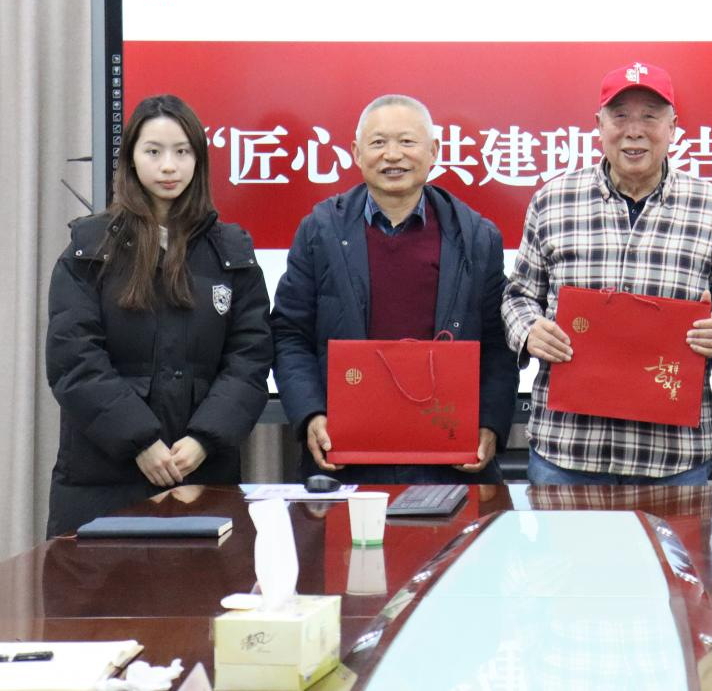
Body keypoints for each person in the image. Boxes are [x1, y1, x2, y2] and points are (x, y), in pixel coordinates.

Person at [502, 63, 712, 484]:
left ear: (673, 127)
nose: (634, 131)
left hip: (672, 456)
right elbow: (519, 295)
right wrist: (529, 330)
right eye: (620, 116)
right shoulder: (553, 200)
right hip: (567, 450)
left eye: (649, 117)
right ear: (598, 126)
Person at [45, 95, 271, 536]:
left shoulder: (233, 253)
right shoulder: (88, 251)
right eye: (154, 151)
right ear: (131, 158)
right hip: (102, 480)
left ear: (198, 160)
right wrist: (140, 440)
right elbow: (74, 361)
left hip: (202, 473)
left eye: (182, 152)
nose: (169, 166)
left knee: (200, 582)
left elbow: (251, 358)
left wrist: (205, 439)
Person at [271, 94, 517, 483]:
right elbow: (289, 333)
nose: (392, 155)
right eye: (378, 142)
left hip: (448, 462)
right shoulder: (320, 231)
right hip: (346, 457)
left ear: (434, 151)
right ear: (356, 153)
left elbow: (498, 341)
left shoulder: (476, 236)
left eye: (406, 141)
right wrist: (311, 413)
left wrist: (490, 421)